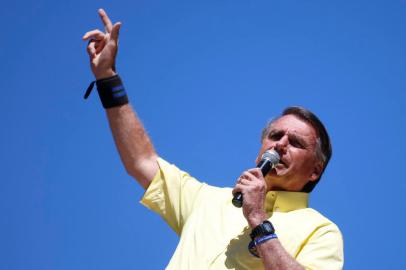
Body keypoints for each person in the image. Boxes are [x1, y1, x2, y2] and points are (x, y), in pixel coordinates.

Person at [83, 9, 344, 270]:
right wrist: (107, 78)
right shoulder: (206, 200)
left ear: (315, 171)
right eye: (275, 135)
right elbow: (141, 160)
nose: (280, 144)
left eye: (296, 142)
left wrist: (257, 219)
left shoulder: (320, 230)